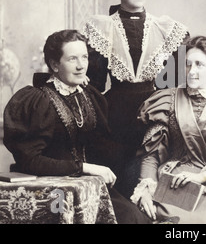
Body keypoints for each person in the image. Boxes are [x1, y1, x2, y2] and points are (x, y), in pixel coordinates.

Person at [3, 30, 149, 224]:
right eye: (72, 59)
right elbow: (30, 161)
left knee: (137, 217)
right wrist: (85, 168)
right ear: (55, 64)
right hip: (54, 192)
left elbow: (104, 146)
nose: (81, 66)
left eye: (84, 57)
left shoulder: (88, 94)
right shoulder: (39, 100)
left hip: (88, 187)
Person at [82, 0, 189, 198]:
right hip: (114, 115)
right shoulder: (103, 27)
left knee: (146, 178)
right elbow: (94, 84)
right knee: (117, 182)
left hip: (153, 111)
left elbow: (172, 83)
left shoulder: (165, 29)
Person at [130, 36, 206, 224]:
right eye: (188, 64)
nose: (192, 71)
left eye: (199, 65)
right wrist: (146, 188)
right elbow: (151, 155)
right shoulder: (167, 100)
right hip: (171, 182)